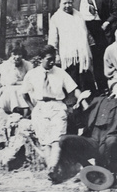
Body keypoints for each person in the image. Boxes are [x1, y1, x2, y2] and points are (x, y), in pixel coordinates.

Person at [52, 80, 117, 184]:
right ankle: (88, 168)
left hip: (112, 138)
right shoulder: (98, 100)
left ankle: (109, 172)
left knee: (111, 141)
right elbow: (79, 122)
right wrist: (79, 101)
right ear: (112, 87)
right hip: (93, 140)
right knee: (64, 140)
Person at [22, 45, 85, 177]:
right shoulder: (32, 74)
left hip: (57, 107)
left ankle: (52, 168)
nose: (52, 62)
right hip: (40, 108)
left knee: (57, 140)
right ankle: (52, 170)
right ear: (40, 59)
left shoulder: (60, 72)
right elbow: (24, 93)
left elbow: (73, 89)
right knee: (45, 142)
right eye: (49, 59)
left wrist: (83, 102)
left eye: (54, 59)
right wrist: (32, 108)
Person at [73, 0, 117, 92]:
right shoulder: (75, 2)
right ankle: (89, 89)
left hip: (100, 30)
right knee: (86, 59)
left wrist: (107, 22)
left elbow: (115, 12)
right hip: (84, 31)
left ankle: (103, 87)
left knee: (100, 59)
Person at [48, 0, 95, 92]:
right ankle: (75, 103)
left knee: (86, 81)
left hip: (83, 54)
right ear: (59, 4)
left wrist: (90, 47)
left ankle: (90, 103)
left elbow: (86, 32)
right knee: (72, 82)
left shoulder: (79, 15)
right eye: (64, 3)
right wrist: (55, 55)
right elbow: (53, 39)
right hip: (69, 56)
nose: (67, 5)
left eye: (70, 3)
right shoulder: (56, 18)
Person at [0, 47, 34, 116]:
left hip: (24, 87)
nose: (17, 57)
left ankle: (27, 111)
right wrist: (14, 66)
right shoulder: (4, 65)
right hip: (9, 88)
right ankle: (15, 110)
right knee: (13, 90)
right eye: (14, 54)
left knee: (26, 90)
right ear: (10, 54)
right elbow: (10, 82)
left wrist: (21, 83)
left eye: (19, 54)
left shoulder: (27, 65)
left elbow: (30, 79)